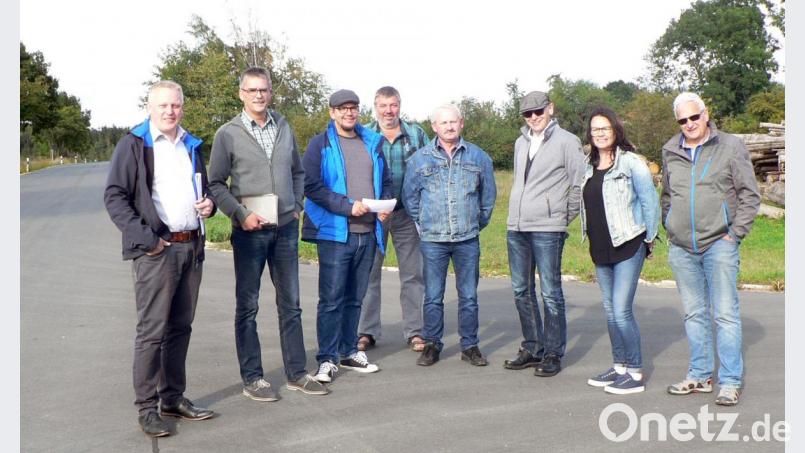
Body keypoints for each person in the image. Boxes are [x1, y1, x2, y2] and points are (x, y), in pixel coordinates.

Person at [208, 67, 328, 401]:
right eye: (252, 90)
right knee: (248, 307)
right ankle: (253, 379)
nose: (259, 95)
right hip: (250, 232)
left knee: (291, 305)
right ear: (241, 94)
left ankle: (297, 373)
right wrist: (240, 214)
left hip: (285, 229)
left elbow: (298, 172)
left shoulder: (284, 126)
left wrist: (297, 205)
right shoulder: (227, 134)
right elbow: (215, 184)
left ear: (270, 92)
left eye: (264, 89)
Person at [104, 81, 216, 437]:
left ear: (182, 106)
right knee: (152, 332)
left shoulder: (191, 144)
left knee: (180, 328)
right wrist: (147, 240)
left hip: (191, 247)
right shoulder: (134, 144)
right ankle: (146, 408)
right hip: (157, 251)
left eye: (176, 105)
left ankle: (172, 398)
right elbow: (115, 197)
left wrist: (210, 204)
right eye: (163, 105)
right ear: (150, 107)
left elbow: (205, 188)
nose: (170, 111)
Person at [662, 92, 760, 406]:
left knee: (725, 315)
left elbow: (750, 194)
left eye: (694, 117)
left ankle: (729, 382)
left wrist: (735, 233)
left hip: (719, 243)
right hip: (682, 247)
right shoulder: (669, 150)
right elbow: (667, 195)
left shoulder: (730, 146)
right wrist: (669, 224)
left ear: (705, 114)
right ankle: (700, 375)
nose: (689, 124)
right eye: (682, 120)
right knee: (694, 314)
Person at [302, 89, 392, 383]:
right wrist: (347, 206)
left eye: (353, 108)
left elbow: (386, 181)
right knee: (331, 300)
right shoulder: (320, 144)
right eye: (342, 108)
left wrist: (384, 205)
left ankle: (349, 351)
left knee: (355, 298)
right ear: (332, 112)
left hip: (368, 233)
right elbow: (312, 186)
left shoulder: (373, 142)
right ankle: (327, 359)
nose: (349, 113)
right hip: (335, 235)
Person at [403, 104, 496, 367]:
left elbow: (488, 199)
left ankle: (470, 346)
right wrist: (426, 223)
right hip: (433, 240)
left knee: (469, 297)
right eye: (443, 123)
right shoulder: (419, 159)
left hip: (467, 239)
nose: (449, 127)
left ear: (461, 123)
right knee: (433, 296)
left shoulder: (479, 157)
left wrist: (475, 223)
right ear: (434, 127)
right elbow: (410, 198)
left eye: (453, 122)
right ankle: (432, 344)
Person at [503, 91, 585, 377]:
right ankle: (533, 346)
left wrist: (561, 217)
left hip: (548, 228)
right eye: (528, 113)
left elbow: (579, 185)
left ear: (550, 108)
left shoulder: (567, 141)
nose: (534, 117)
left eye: (538, 111)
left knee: (550, 293)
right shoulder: (520, 142)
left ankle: (552, 352)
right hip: (517, 227)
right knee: (520, 290)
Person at [580, 107, 659, 394]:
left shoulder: (631, 163)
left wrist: (649, 238)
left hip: (628, 243)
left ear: (615, 130)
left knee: (622, 310)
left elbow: (650, 201)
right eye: (595, 129)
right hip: (600, 247)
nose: (600, 133)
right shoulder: (588, 165)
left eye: (605, 128)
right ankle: (620, 367)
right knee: (611, 311)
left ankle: (635, 373)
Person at [358, 86, 430, 353]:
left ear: (400, 105)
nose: (389, 111)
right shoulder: (363, 134)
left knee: (413, 274)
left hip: (406, 214)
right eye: (383, 106)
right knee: (368, 274)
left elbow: (429, 169)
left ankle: (415, 331)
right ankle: (366, 331)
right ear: (375, 107)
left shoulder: (416, 134)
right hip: (372, 215)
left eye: (393, 105)